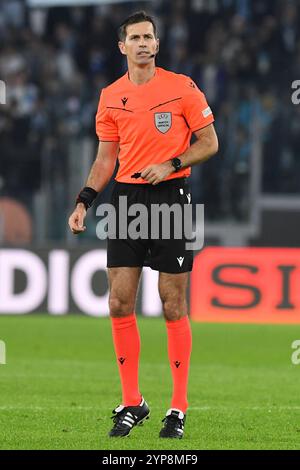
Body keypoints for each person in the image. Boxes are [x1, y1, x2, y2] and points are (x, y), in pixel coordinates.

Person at [68, 11, 218, 439]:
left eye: (149, 36)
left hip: (173, 198)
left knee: (172, 302)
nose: (143, 43)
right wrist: (85, 201)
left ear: (157, 43)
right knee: (119, 302)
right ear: (123, 47)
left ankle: (178, 408)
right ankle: (132, 402)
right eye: (135, 38)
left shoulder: (182, 87)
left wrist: (171, 163)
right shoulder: (110, 95)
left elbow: (210, 142)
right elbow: (105, 158)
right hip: (125, 201)